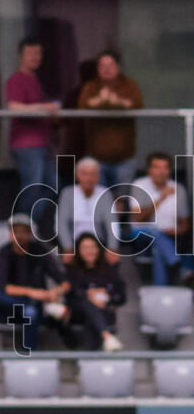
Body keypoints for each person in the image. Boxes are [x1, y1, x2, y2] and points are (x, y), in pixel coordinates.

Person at [0, 214, 70, 353]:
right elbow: (2, 286)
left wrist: (55, 292)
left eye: (23, 231)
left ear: (30, 233)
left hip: (36, 306)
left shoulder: (40, 251)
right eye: (15, 231)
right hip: (10, 305)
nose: (19, 235)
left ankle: (29, 354)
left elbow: (64, 281)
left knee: (30, 312)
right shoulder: (4, 252)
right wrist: (31, 293)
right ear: (10, 234)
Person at [6, 38, 59, 219]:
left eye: (38, 53)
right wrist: (44, 108)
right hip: (26, 145)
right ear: (21, 56)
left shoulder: (35, 79)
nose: (35, 57)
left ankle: (28, 225)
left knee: (53, 185)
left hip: (43, 144)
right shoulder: (16, 79)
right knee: (32, 186)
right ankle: (22, 228)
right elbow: (14, 107)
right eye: (30, 53)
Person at [78, 50, 143, 188]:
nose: (106, 69)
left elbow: (138, 105)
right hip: (97, 158)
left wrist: (118, 101)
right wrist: (99, 100)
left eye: (111, 65)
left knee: (121, 200)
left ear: (118, 67)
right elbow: (81, 108)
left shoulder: (129, 84)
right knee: (99, 200)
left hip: (125, 158)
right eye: (102, 66)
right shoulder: (91, 86)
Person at [130, 152, 192, 286]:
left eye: (165, 168)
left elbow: (185, 224)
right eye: (157, 167)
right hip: (141, 234)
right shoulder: (139, 185)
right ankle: (178, 265)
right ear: (149, 170)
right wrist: (161, 198)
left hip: (168, 236)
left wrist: (178, 232)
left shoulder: (178, 188)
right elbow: (138, 218)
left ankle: (160, 288)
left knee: (158, 249)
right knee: (156, 234)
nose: (161, 172)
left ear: (170, 170)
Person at [65, 232, 125, 351]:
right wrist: (88, 294)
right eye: (85, 248)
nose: (89, 251)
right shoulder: (72, 271)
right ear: (78, 250)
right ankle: (106, 336)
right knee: (89, 303)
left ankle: (90, 358)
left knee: (95, 312)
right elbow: (70, 294)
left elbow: (121, 297)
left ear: (98, 249)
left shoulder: (109, 270)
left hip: (104, 310)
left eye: (92, 247)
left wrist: (106, 297)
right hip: (78, 313)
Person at [57, 157, 120, 263]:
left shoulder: (105, 194)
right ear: (77, 175)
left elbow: (112, 223)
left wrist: (113, 247)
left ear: (98, 177)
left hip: (99, 243)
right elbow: (61, 223)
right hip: (73, 243)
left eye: (93, 174)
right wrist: (67, 247)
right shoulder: (67, 193)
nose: (89, 178)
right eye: (85, 174)